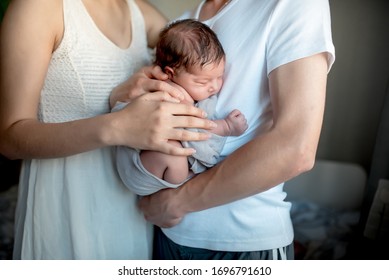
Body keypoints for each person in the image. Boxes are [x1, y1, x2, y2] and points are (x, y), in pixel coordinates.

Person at [0, 0, 215, 260]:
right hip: (67, 208)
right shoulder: (39, 7)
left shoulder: (138, 12)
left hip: (133, 210)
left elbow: (200, 56)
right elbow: (9, 137)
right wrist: (117, 124)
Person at [139, 0, 336, 260]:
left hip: (241, 242)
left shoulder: (292, 4)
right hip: (169, 236)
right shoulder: (186, 23)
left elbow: (295, 149)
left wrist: (176, 202)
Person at [113, 19, 247, 195]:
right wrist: (226, 127)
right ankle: (183, 180)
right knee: (175, 154)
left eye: (219, 76)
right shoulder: (171, 94)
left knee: (177, 154)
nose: (214, 86)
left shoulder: (192, 89)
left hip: (150, 165)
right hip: (138, 167)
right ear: (170, 73)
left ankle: (181, 178)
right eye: (203, 81)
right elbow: (195, 132)